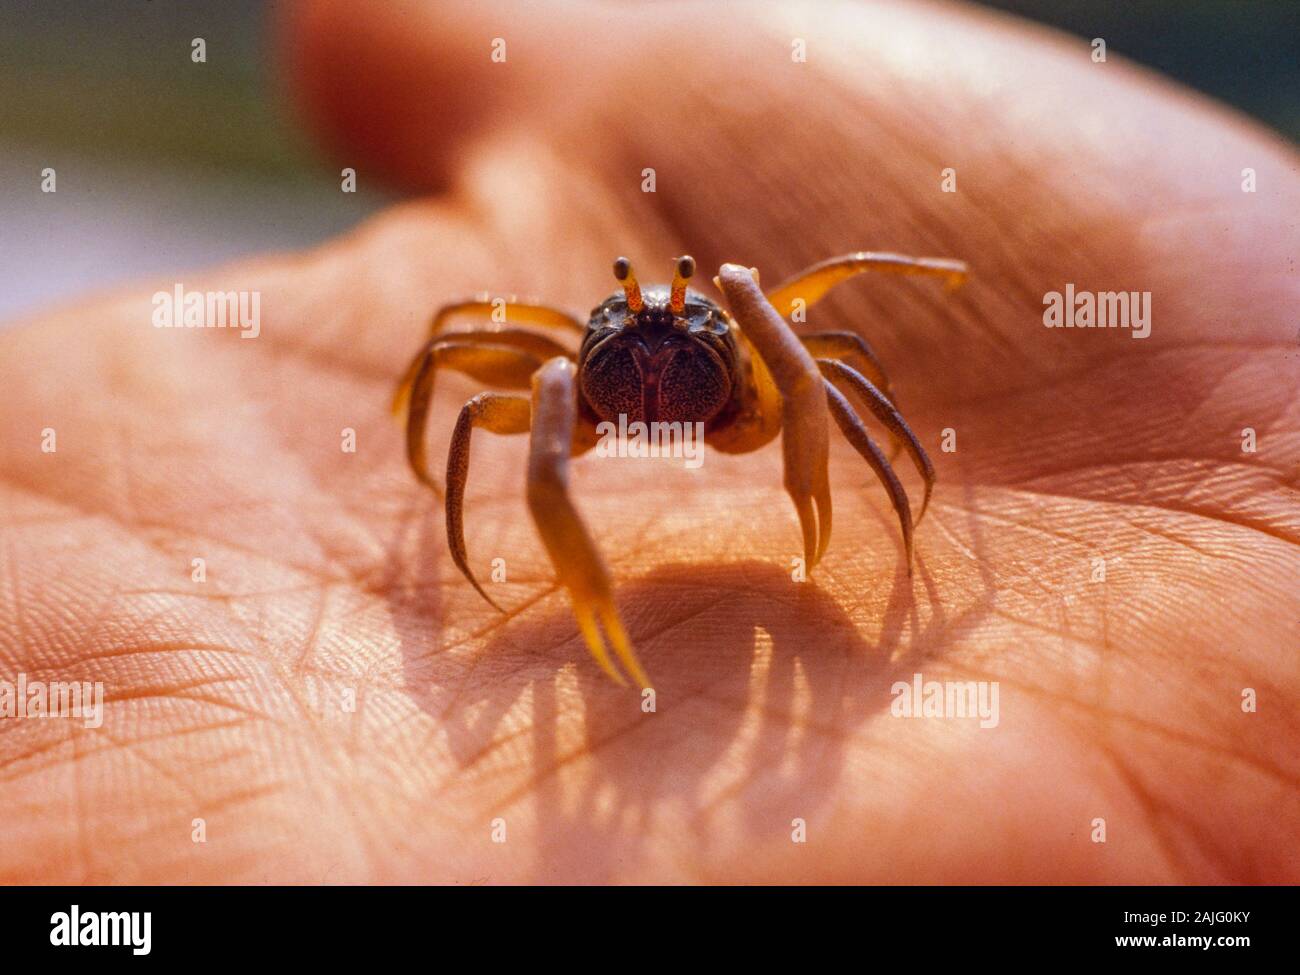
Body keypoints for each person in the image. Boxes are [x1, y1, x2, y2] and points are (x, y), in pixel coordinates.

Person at [0, 0, 1294, 883]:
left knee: (820, 350)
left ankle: (867, 528)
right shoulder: (577, 366)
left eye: (682, 327)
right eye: (636, 327)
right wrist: (440, 477)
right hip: (600, 411)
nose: (658, 347)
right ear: (606, 323)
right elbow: (458, 346)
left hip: (755, 426)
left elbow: (833, 348)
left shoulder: (740, 352)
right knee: (478, 356)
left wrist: (904, 459)